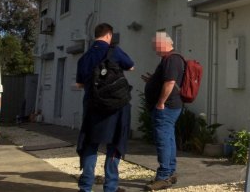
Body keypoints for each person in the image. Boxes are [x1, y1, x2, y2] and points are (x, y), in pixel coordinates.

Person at [76, 23, 134, 192]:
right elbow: (131, 65)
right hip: (117, 107)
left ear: (96, 36)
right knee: (115, 145)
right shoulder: (114, 51)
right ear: (109, 35)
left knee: (90, 144)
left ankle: (86, 187)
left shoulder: (84, 58)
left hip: (93, 107)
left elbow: (79, 84)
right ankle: (110, 187)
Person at [142, 32, 184, 191]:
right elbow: (165, 81)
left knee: (163, 141)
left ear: (165, 44)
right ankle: (170, 172)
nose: (155, 48)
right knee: (169, 138)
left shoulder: (172, 59)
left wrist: (160, 102)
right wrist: (152, 81)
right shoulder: (170, 59)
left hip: (166, 108)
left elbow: (170, 82)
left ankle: (163, 176)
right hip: (170, 107)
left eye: (156, 45)